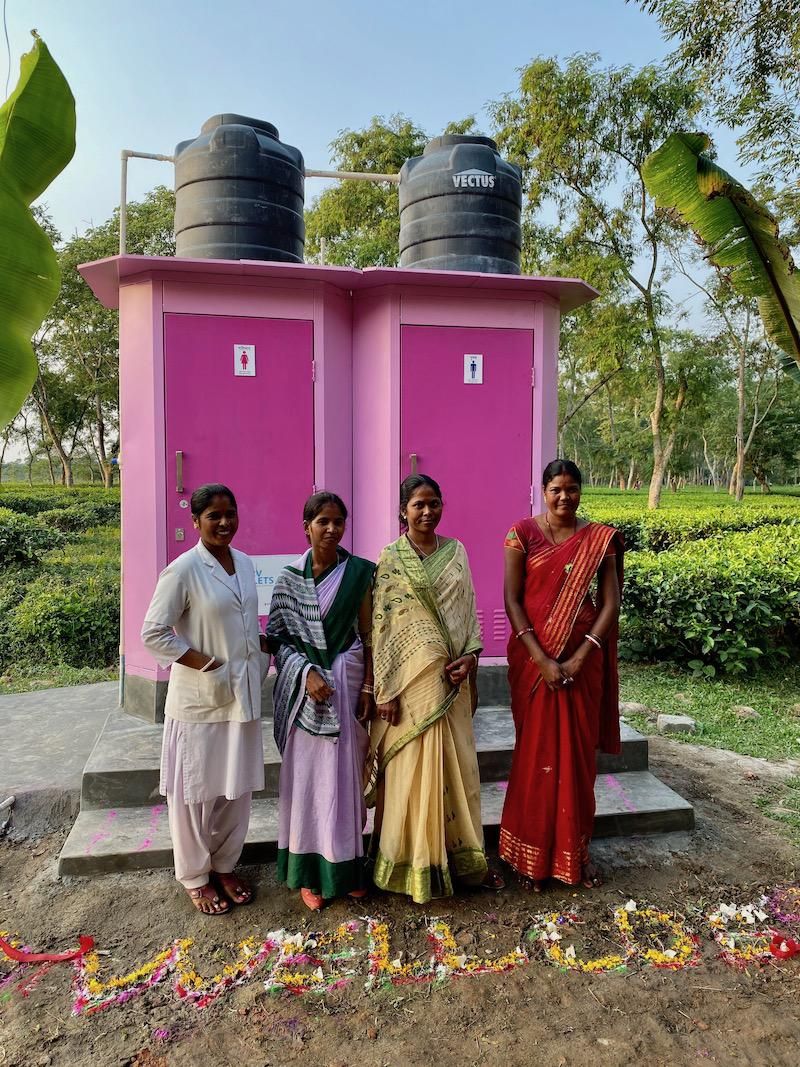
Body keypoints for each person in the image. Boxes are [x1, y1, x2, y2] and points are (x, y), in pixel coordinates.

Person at [367, 474, 502, 904]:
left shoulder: (457, 552)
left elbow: (469, 616)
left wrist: (472, 658)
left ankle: (462, 861)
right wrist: (383, 690)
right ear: (403, 510)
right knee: (410, 776)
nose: (427, 512)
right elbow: (381, 629)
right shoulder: (389, 558)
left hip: (453, 683)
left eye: (434, 503)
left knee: (457, 771)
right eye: (418, 505)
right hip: (411, 687)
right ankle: (408, 864)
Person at [141, 484, 269, 915]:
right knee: (195, 790)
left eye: (230, 513)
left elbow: (244, 622)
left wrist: (262, 647)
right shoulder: (182, 570)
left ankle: (225, 864)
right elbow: (153, 632)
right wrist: (204, 662)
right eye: (213, 515)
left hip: (244, 694)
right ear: (195, 522)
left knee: (237, 788)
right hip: (201, 699)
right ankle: (195, 875)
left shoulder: (246, 564)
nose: (224, 522)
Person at [499, 459, 623, 891]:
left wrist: (578, 658)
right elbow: (513, 602)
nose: (564, 497)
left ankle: (576, 852)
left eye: (572, 489)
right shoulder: (521, 534)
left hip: (581, 665)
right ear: (543, 491)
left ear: (580, 491)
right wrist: (542, 660)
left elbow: (609, 604)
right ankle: (527, 859)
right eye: (556, 489)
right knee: (535, 760)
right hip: (534, 665)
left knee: (576, 761)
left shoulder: (599, 539)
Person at [266, 492, 375, 911]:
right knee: (309, 781)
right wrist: (307, 673)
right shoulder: (289, 579)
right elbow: (277, 639)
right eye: (323, 522)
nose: (331, 529)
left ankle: (345, 870)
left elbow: (369, 635)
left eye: (338, 521)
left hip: (347, 683)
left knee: (344, 779)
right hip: (302, 694)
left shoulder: (360, 573)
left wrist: (366, 688)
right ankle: (308, 874)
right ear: (306, 526)